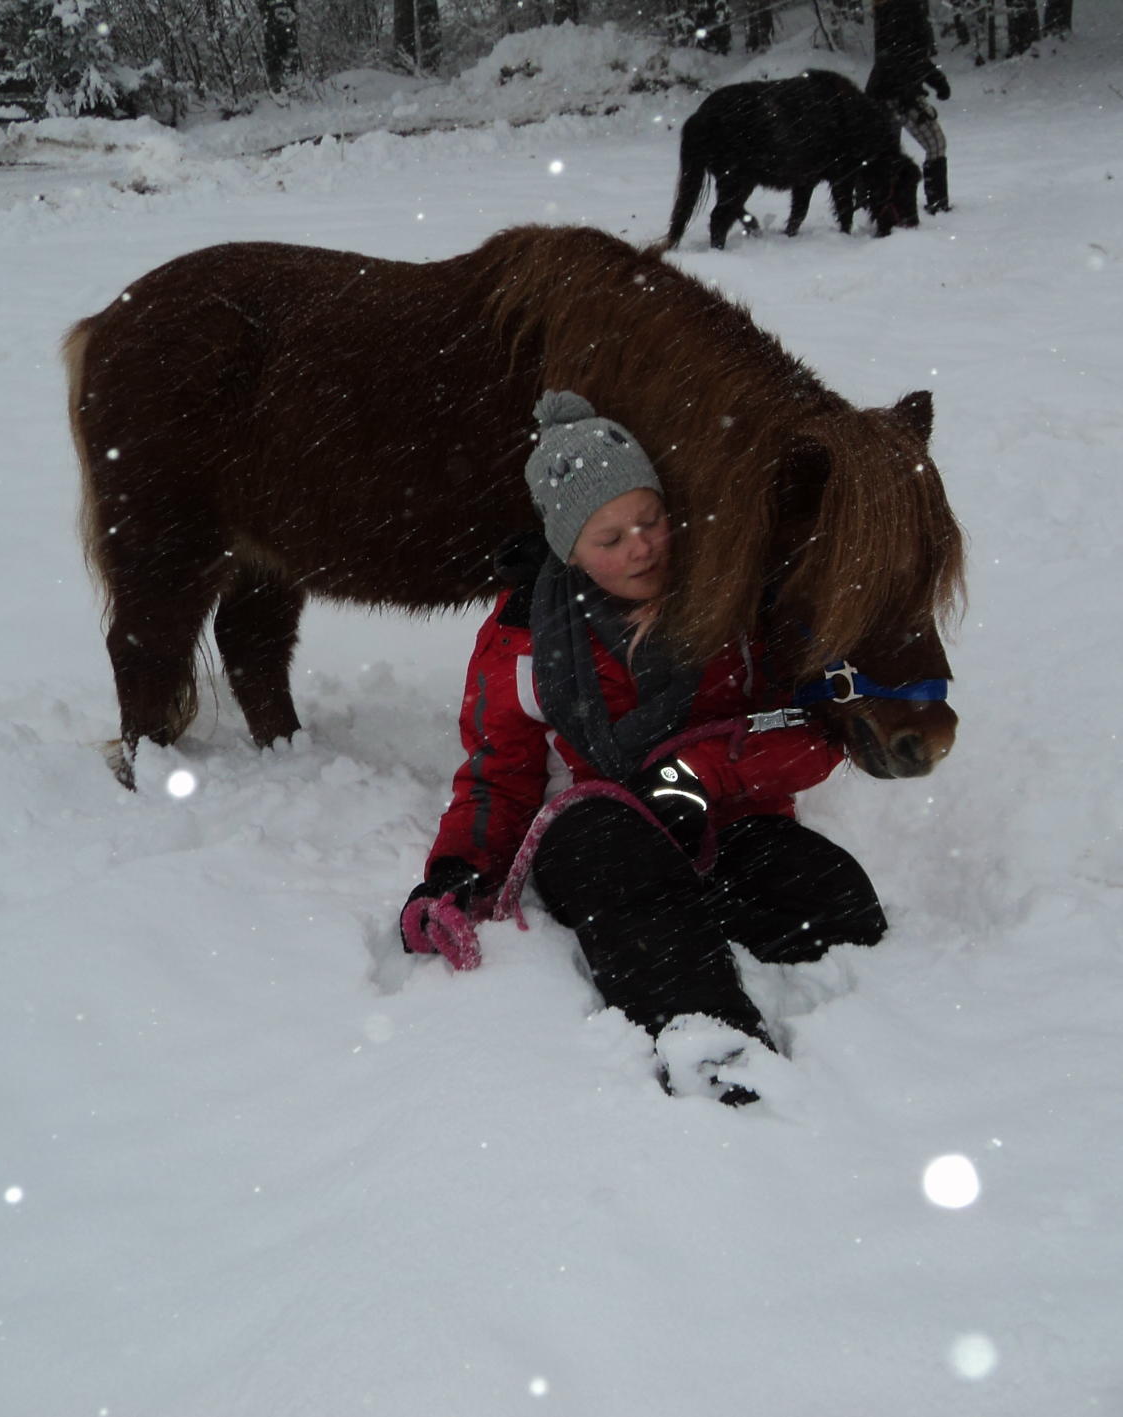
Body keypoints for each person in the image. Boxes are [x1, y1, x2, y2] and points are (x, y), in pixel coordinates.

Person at [404, 390, 888, 1104]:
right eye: (611, 538)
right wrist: (456, 871)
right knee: (602, 845)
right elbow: (496, 774)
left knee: (838, 902)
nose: (643, 545)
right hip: (607, 828)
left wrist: (700, 774)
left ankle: (683, 931)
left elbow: (815, 735)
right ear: (570, 551)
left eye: (652, 520)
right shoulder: (523, 639)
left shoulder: (731, 598)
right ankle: (710, 1041)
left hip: (729, 825)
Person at [866, 50, 953, 215]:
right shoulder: (910, 38)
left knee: (883, 155)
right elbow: (916, 58)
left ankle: (873, 201)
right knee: (936, 144)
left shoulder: (891, 38)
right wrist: (938, 82)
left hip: (883, 96)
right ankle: (936, 201)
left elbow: (914, 59)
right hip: (900, 98)